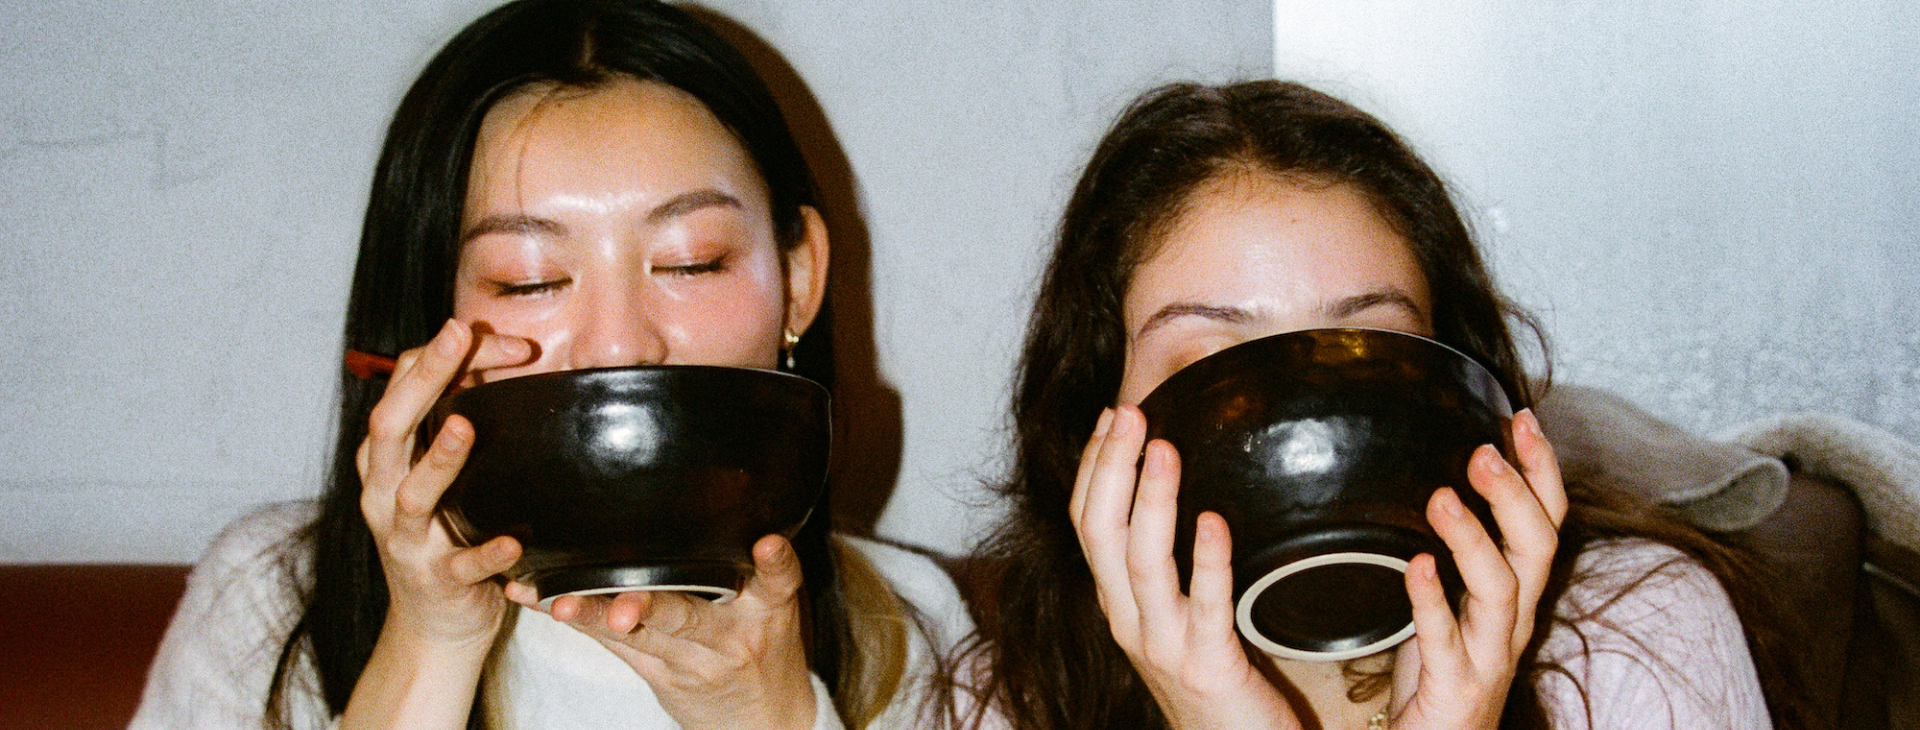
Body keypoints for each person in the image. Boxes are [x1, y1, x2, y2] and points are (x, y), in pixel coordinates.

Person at [130, 1, 967, 728]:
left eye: (690, 261)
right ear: (432, 317)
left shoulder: (908, 623)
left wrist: (773, 717)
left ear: (798, 279)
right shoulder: (271, 600)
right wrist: (428, 642)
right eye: (527, 279)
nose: (618, 344)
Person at [955, 81, 1815, 730]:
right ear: (1094, 421)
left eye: (1366, 346)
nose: (1300, 412)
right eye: (1214, 358)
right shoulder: (1001, 699)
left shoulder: (1642, 630)